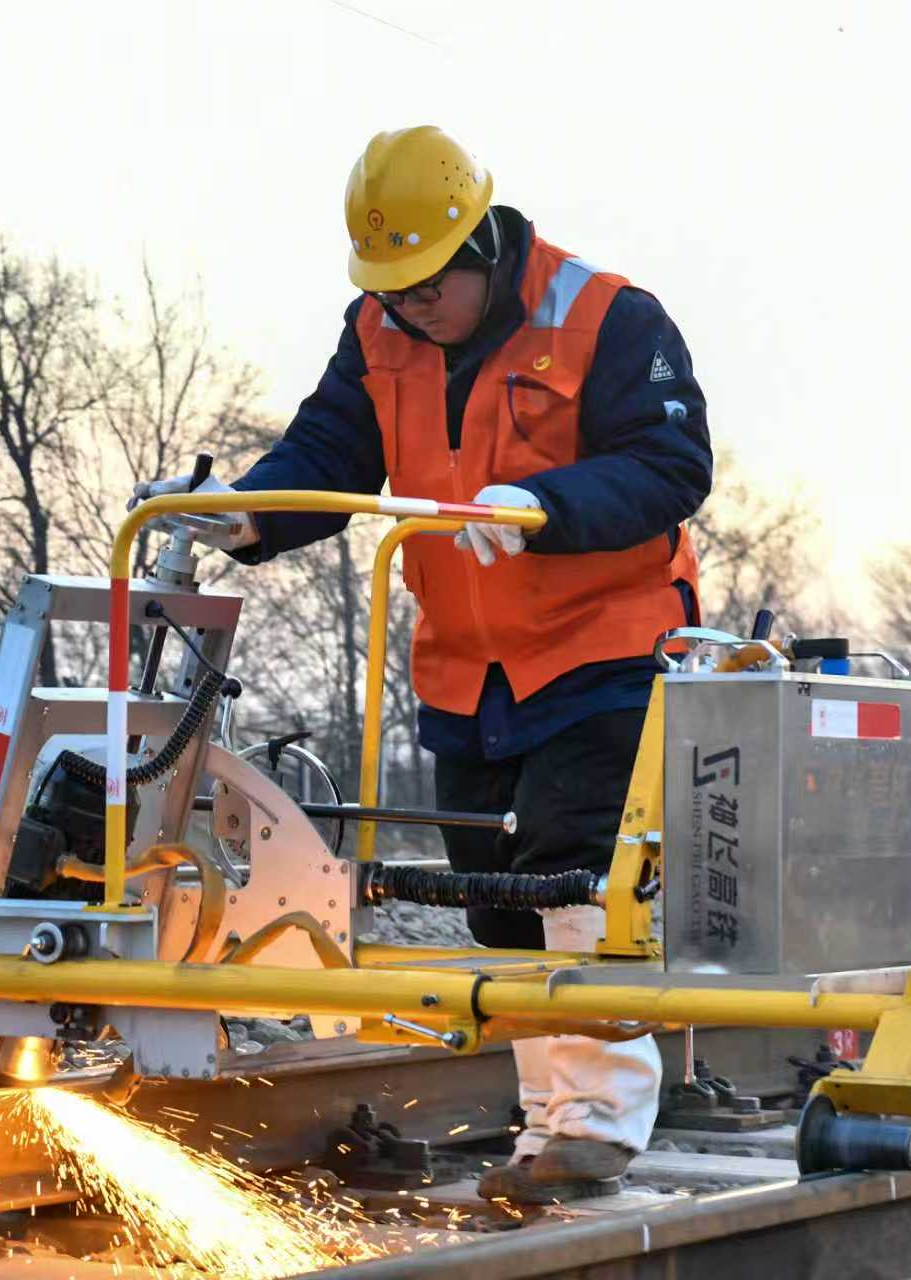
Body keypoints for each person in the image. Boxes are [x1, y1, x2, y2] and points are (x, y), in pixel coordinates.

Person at [136, 125, 711, 1198]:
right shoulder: (379, 331)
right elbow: (329, 451)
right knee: (496, 898)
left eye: (428, 286)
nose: (411, 308)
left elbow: (672, 463)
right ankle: (550, 1121)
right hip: (468, 663)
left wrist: (543, 505)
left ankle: (595, 1125)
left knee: (572, 872)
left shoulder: (607, 317)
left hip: (603, 646)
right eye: (391, 291)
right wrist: (245, 515)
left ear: (482, 244)